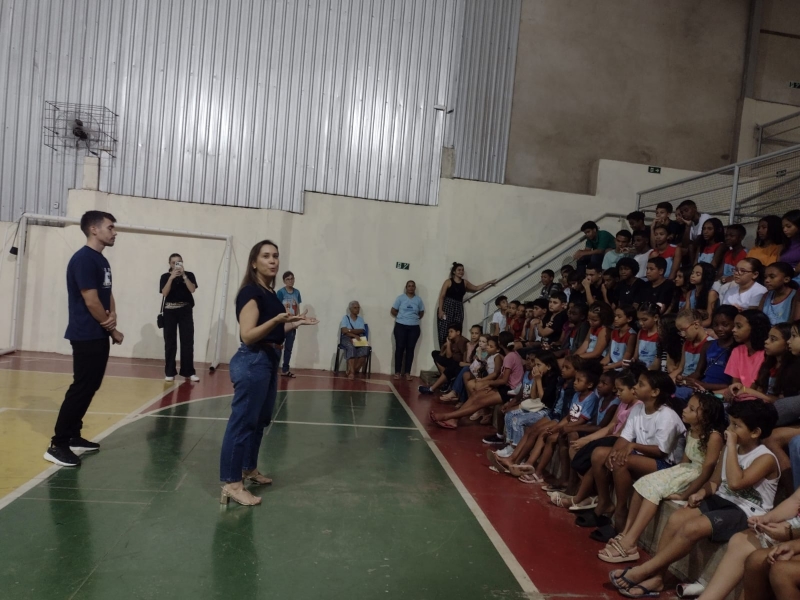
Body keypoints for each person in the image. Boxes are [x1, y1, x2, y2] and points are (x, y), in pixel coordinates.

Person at [609, 400, 780, 599]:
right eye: (730, 423)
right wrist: (701, 493)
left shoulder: (765, 458)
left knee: (692, 528)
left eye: (736, 426)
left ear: (755, 432)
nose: (729, 430)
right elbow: (715, 481)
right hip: (722, 500)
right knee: (676, 519)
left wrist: (731, 445)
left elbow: (735, 483)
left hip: (746, 511)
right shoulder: (731, 448)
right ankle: (657, 577)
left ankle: (643, 570)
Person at [219, 240, 318, 506]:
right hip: (253, 360)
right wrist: (276, 319)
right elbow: (248, 335)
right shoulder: (250, 292)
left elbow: (274, 331)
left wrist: (295, 322)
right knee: (242, 422)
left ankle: (248, 468)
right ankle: (232, 483)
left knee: (260, 420)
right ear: (254, 263)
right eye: (266, 256)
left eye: (275, 255)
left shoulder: (270, 293)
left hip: (269, 359)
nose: (273, 260)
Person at [597, 392, 725, 564]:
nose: (685, 410)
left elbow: (707, 470)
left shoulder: (714, 436)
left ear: (706, 416)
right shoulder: (691, 431)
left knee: (653, 490)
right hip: (684, 470)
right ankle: (626, 533)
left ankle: (630, 543)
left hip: (696, 476)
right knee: (642, 483)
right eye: (687, 406)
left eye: (692, 409)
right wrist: (672, 474)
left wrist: (686, 494)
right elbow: (685, 461)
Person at [44, 211, 124, 468]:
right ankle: (58, 444)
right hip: (86, 334)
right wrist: (111, 327)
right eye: (110, 227)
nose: (114, 232)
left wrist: (112, 318)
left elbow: (106, 293)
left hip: (98, 332)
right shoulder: (83, 259)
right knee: (81, 387)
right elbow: (91, 300)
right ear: (94, 229)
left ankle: (73, 435)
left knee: (91, 385)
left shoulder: (100, 260)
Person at [160, 253, 198, 382]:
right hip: (169, 311)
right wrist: (171, 278)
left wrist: (184, 276)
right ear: (169, 264)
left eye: (179, 262)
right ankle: (170, 372)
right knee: (170, 342)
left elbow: (192, 290)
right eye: (174, 262)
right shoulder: (165, 277)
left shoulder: (189, 275)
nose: (176, 265)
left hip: (185, 310)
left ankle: (189, 371)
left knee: (187, 341)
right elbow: (164, 293)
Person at [436, 262, 495, 347]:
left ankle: (455, 350)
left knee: (457, 329)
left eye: (462, 270)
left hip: (458, 308)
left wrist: (488, 282)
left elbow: (476, 288)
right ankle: (444, 349)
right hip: (447, 307)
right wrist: (441, 310)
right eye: (459, 270)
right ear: (454, 272)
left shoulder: (465, 282)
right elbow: (442, 296)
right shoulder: (448, 282)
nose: (461, 272)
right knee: (444, 329)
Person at [391, 280, 425, 381]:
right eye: (409, 286)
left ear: (415, 288)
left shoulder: (418, 300)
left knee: (410, 349)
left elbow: (421, 312)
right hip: (400, 326)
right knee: (399, 348)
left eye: (412, 286)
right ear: (406, 287)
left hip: (414, 327)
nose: (411, 288)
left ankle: (407, 373)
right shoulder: (400, 298)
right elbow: (393, 310)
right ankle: (397, 372)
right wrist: (402, 317)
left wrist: (413, 319)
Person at [276, 271, 302, 378]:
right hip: (282, 324)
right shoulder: (280, 292)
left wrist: (298, 320)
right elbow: (277, 307)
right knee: (278, 347)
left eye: (292, 278)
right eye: (288, 279)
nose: (290, 281)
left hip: (292, 324)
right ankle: (274, 368)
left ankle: (285, 369)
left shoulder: (297, 292)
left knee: (289, 348)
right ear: (284, 281)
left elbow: (298, 307)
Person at [340, 300, 370, 379]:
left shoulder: (360, 319)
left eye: (358, 308)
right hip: (347, 337)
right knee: (351, 347)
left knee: (366, 348)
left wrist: (349, 330)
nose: (357, 309)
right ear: (350, 309)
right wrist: (353, 334)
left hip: (358, 337)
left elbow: (361, 330)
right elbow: (344, 331)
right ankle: (352, 373)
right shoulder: (345, 318)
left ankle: (353, 370)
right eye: (355, 308)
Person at [677, 199, 712, 263]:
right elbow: (685, 244)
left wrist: (689, 245)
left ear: (695, 209)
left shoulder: (705, 217)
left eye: (686, 210)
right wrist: (688, 226)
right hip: (700, 248)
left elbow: (700, 238)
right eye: (682, 212)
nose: (684, 214)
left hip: (709, 245)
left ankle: (693, 266)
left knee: (690, 247)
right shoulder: (691, 223)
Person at [780, 209, 800, 284]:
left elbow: (798, 270)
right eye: (783, 227)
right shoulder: (785, 244)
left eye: (788, 226)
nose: (785, 230)